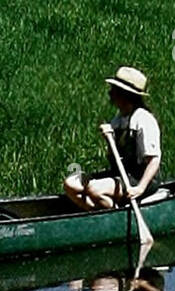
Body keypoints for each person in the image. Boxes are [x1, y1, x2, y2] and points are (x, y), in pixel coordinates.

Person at [65, 67, 162, 211]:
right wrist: (108, 139)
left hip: (140, 178)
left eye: (114, 90)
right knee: (71, 183)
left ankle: (113, 215)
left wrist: (140, 189)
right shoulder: (118, 120)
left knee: (95, 190)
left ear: (126, 94)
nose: (110, 93)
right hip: (120, 174)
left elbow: (154, 160)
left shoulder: (143, 119)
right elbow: (114, 157)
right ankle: (101, 212)